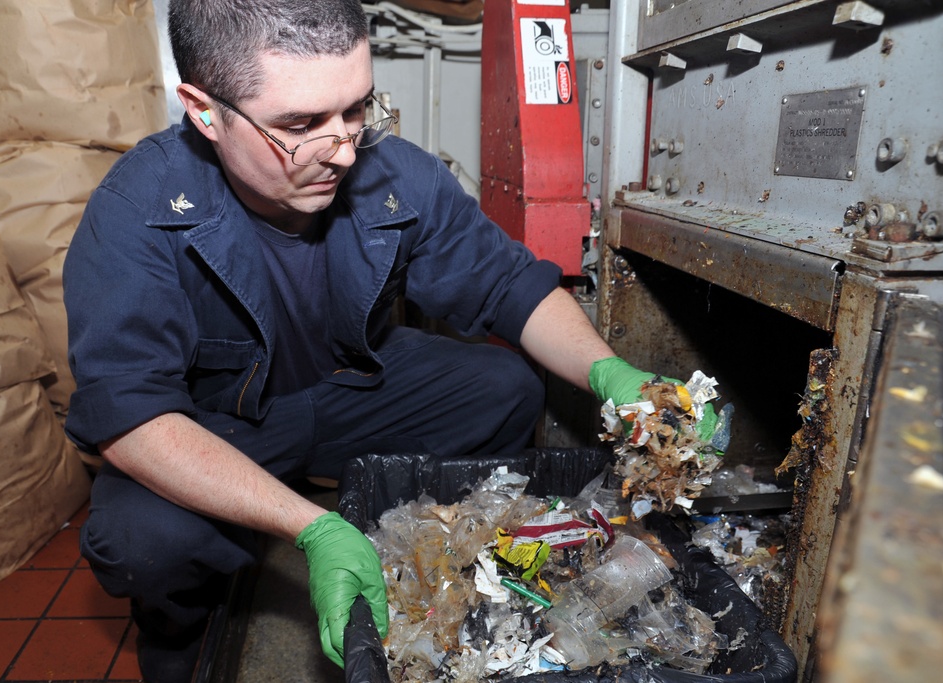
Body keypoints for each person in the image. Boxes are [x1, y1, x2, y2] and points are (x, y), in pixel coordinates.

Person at [63, 1, 715, 680]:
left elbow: (509, 288)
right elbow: (130, 417)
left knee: (506, 389)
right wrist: (310, 528)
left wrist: (614, 375)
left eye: (355, 109)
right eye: (300, 123)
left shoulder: (392, 174)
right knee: (140, 539)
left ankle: (441, 564)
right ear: (203, 110)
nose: (343, 150)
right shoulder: (136, 212)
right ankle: (186, 642)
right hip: (217, 425)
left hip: (350, 391)